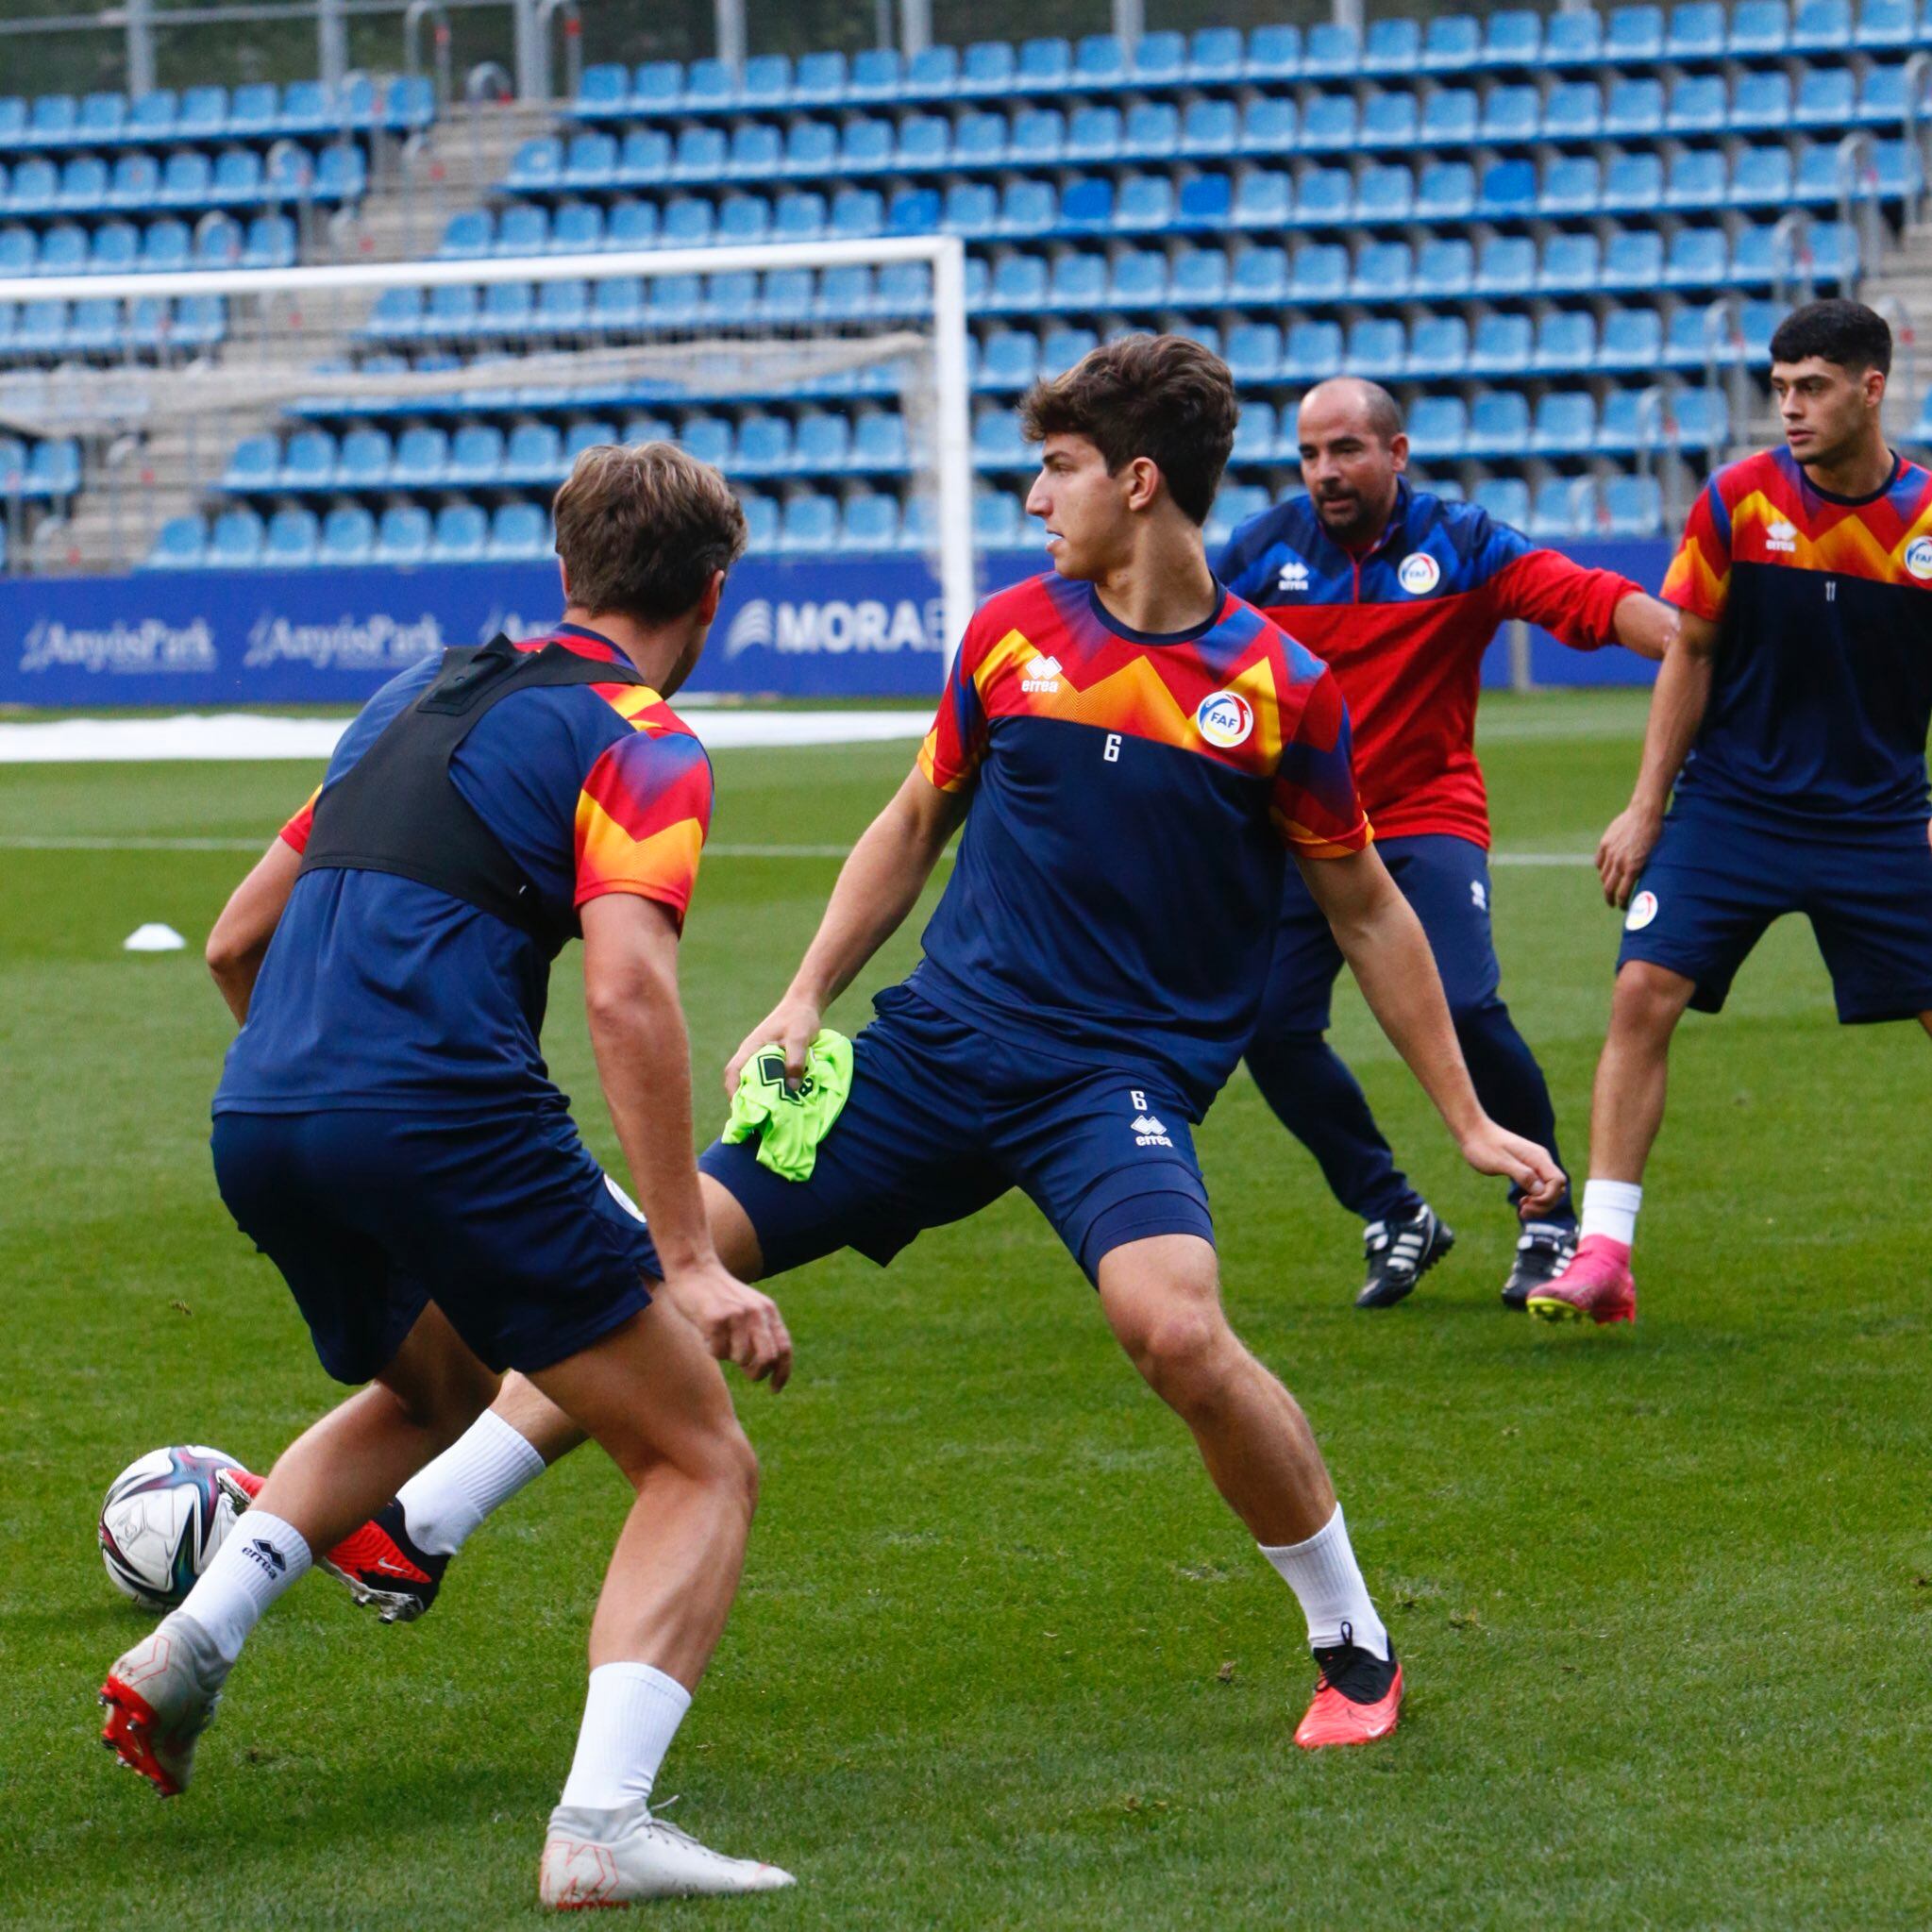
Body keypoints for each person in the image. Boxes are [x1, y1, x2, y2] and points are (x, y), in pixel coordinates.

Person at [243, 335, 1565, 1752]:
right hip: (931, 1049)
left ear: (1133, 480)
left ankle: (1352, 1640)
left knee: (1174, 1328)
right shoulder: (1008, 634)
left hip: (1108, 1082)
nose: (1032, 499)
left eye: (1054, 469)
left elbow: (1365, 906)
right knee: (648, 1261)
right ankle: (423, 1524)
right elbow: (910, 822)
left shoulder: (1281, 687)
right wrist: (807, 989)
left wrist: (1467, 1118)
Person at [97, 444, 798, 1908]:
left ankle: (192, 1640)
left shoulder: (403, 691)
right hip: (443, 1109)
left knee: (435, 1388)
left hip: (263, 1109)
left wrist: (319, 1083)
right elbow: (627, 994)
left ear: (565, 574)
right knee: (695, 1453)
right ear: (714, 597)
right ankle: (602, 1821)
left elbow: (236, 940)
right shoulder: (642, 735)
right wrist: (689, 1252)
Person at [1218, 378, 1675, 1311]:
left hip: (1426, 812)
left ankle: (1546, 1211)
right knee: (1267, 1027)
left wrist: (1684, 645)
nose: (1323, 472)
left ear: (1396, 453)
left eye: (1344, 449)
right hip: (1306, 826)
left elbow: (1582, 599)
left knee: (1465, 1003)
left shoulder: (1459, 542)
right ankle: (1393, 1212)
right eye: (1308, 454)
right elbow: (1177, 642)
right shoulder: (1260, 554)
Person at [1528, 299, 1932, 1326]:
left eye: (1811, 387)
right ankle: (1604, 1253)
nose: (1786, 408)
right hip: (1734, 808)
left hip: (1882, 818)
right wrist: (1643, 805)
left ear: (1871, 387)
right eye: (1778, 387)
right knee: (1640, 992)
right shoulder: (1738, 501)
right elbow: (1690, 652)